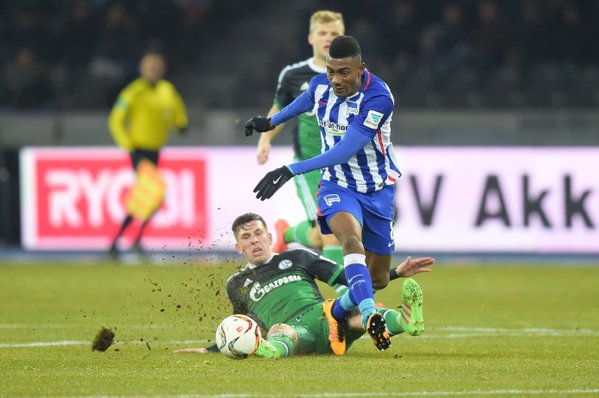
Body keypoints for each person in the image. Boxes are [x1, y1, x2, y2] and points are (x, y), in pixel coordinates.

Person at [244, 35, 400, 354]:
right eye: (331, 72)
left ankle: (337, 312)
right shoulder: (320, 85)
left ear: (360, 69)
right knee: (349, 242)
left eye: (344, 72)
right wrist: (270, 121)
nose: (336, 80)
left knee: (378, 278)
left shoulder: (379, 98)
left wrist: (290, 169)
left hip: (376, 191)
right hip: (336, 186)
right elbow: (305, 101)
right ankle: (370, 315)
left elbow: (345, 150)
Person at [174, 212, 434, 358]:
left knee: (359, 313)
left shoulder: (297, 257)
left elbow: (352, 279)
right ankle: (270, 349)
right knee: (281, 329)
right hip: (297, 329)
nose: (254, 241)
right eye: (246, 237)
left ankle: (405, 322)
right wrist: (211, 349)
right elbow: (240, 324)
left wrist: (396, 272)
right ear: (238, 247)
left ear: (269, 237)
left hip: (327, 318)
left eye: (257, 234)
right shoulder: (236, 284)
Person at [255, 10, 345, 275]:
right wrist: (265, 139)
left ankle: (288, 233)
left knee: (320, 236)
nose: (329, 38)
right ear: (311, 37)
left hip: (344, 165)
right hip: (310, 166)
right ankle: (346, 300)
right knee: (331, 233)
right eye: (323, 33)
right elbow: (279, 109)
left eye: (335, 34)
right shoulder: (294, 75)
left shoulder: (354, 73)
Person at [107, 50, 188, 260]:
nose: (153, 70)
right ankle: (126, 240)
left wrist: (180, 124)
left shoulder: (166, 90)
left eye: (157, 66)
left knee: (147, 196)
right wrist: (127, 145)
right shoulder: (133, 92)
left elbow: (176, 111)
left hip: (155, 151)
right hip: (139, 151)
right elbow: (115, 119)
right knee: (154, 191)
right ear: (142, 69)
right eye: (150, 66)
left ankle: (122, 242)